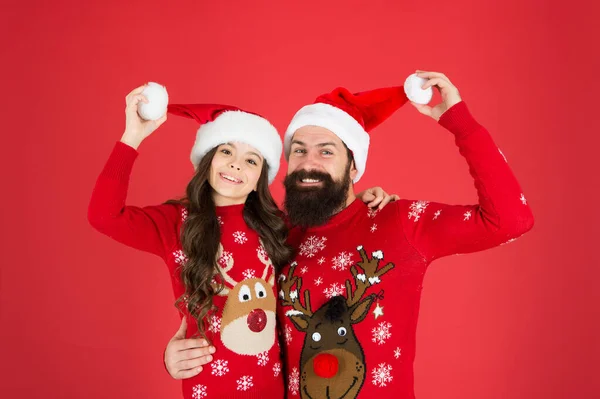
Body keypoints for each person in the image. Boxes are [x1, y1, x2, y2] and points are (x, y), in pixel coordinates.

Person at [165, 70, 534, 398]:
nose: (309, 163)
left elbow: (511, 220)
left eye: (327, 152)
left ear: (354, 166)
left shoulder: (401, 222)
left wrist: (460, 123)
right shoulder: (274, 236)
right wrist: (177, 355)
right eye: (299, 151)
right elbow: (247, 330)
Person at [88, 84, 393, 398]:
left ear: (261, 175)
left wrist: (369, 198)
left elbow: (335, 222)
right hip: (209, 387)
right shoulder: (175, 223)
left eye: (251, 160)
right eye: (226, 151)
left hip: (275, 390)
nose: (236, 164)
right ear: (208, 157)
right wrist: (132, 137)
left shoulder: (278, 226)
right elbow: (103, 216)